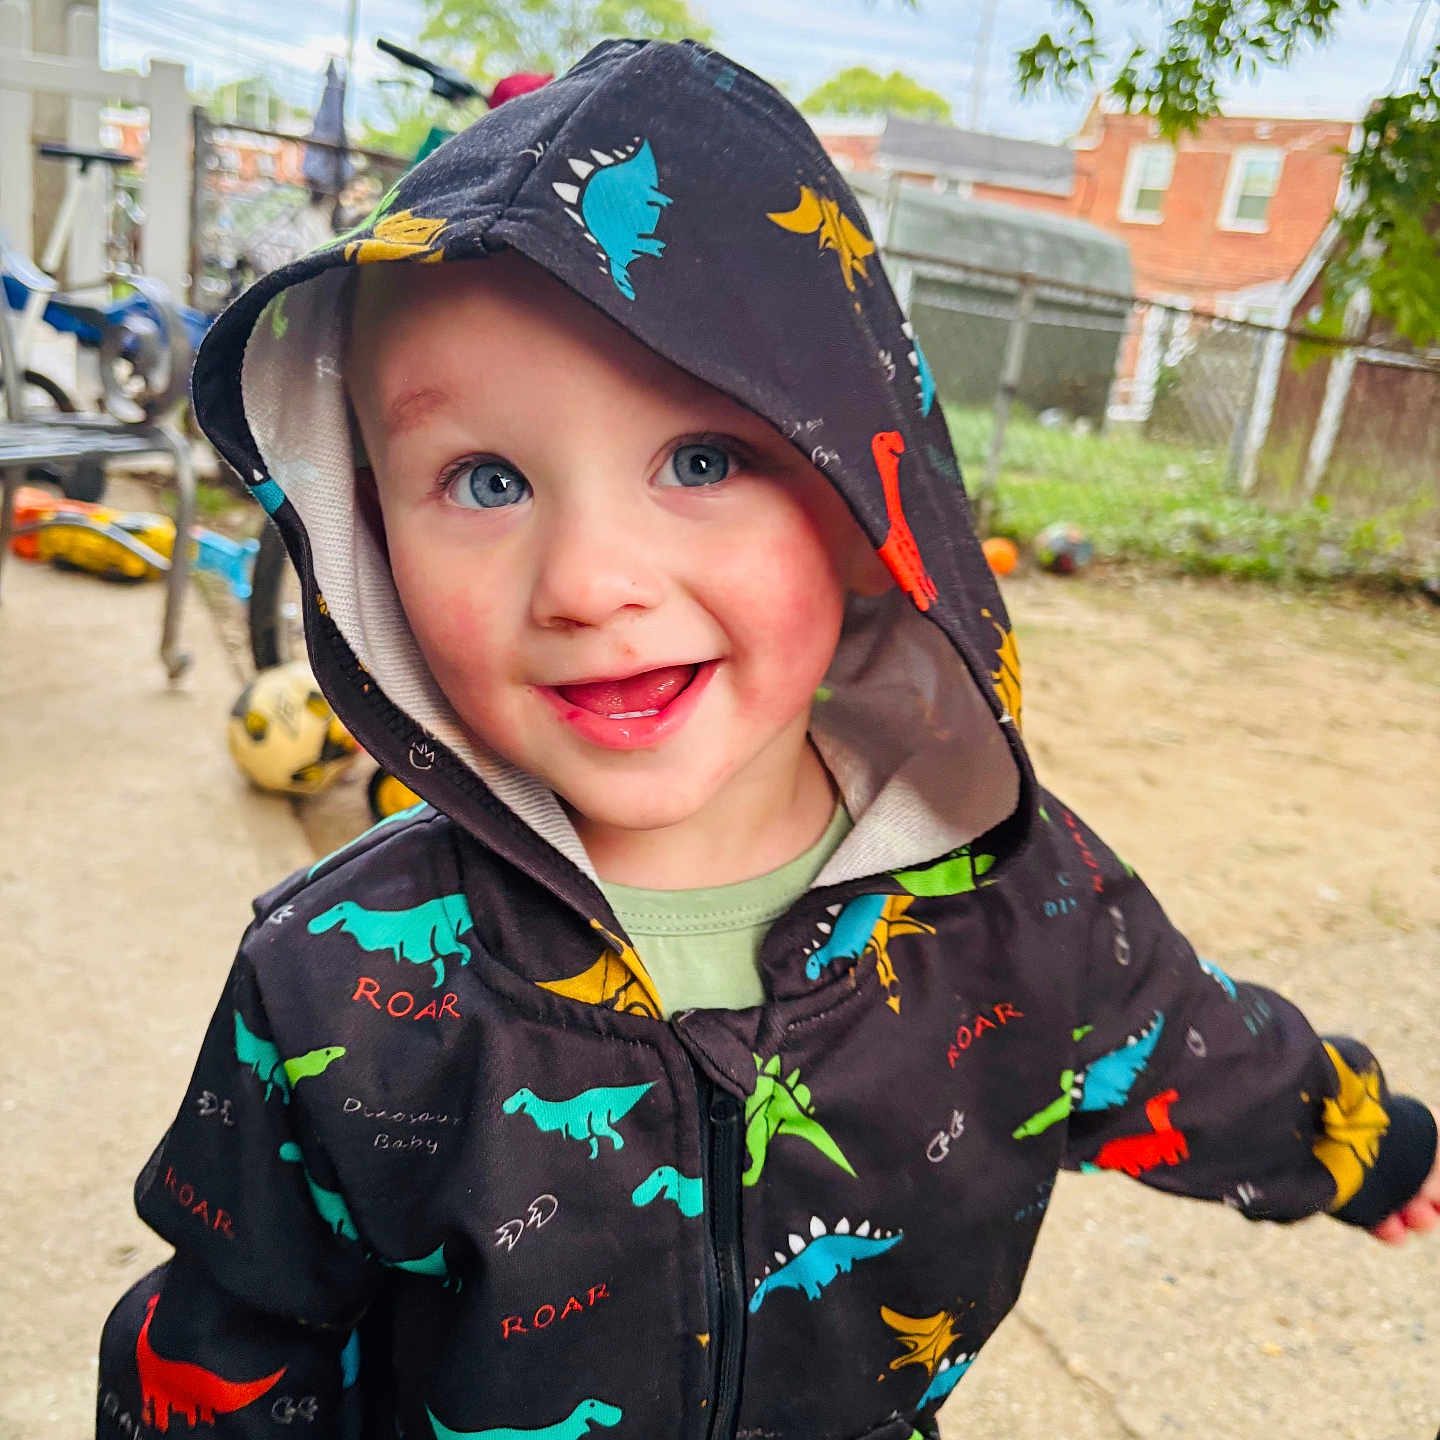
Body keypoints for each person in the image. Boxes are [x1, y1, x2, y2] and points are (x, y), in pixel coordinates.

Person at [98, 38, 1437, 1440]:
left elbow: (1191, 1049)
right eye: (485, 480)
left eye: (701, 460)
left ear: (871, 507)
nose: (589, 583)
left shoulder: (1021, 899)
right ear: (371, 531)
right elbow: (228, 1339)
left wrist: (1368, 1144)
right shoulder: (328, 985)